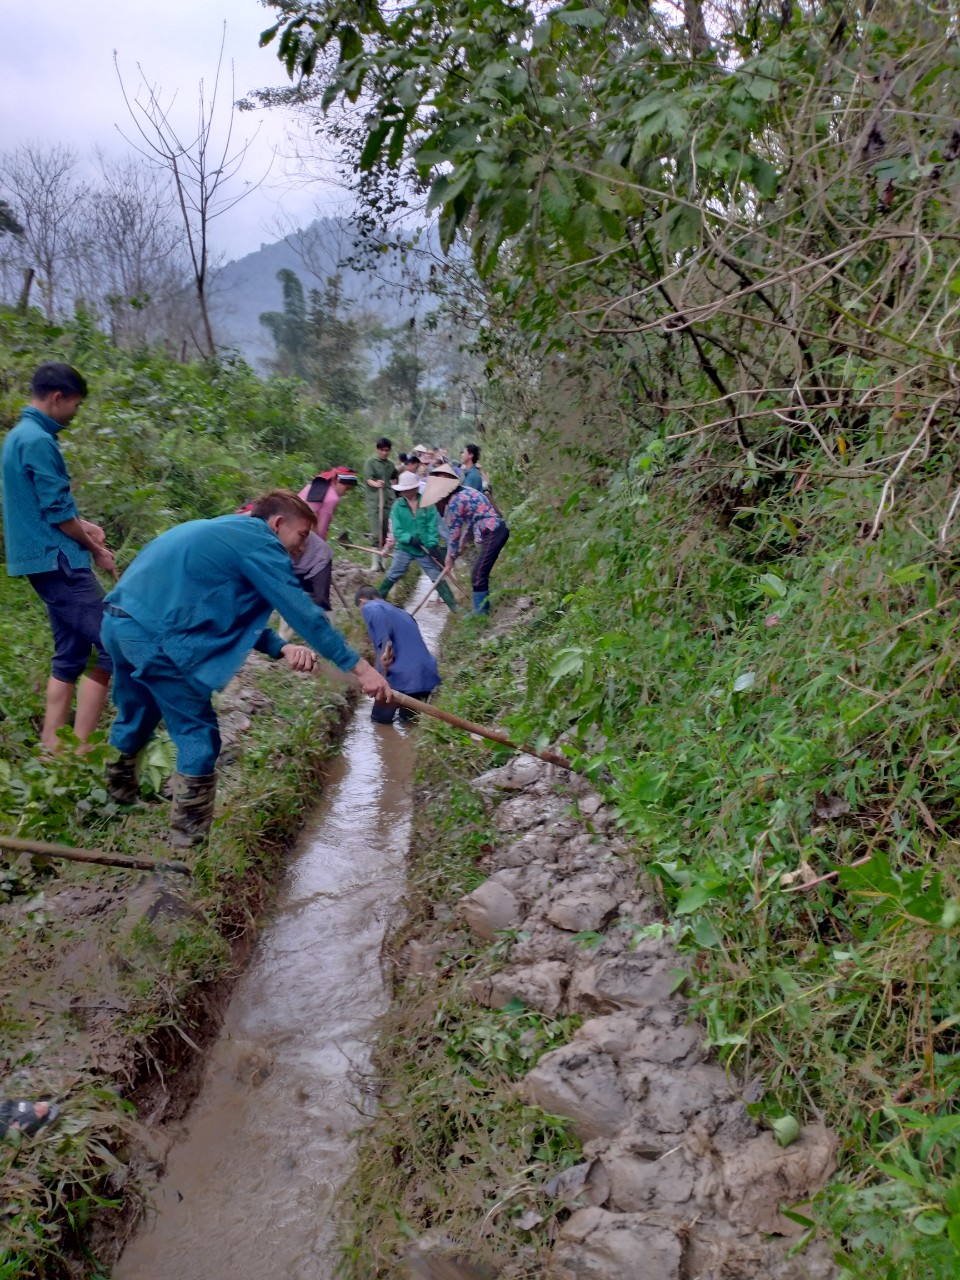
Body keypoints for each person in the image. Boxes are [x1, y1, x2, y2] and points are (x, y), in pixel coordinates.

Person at [100, 490, 391, 847]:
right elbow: (304, 612)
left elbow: (224, 611)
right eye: (302, 535)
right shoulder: (261, 543)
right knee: (198, 736)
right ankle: (187, 847)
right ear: (278, 523)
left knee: (137, 715)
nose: (303, 548)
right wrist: (362, 669)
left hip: (120, 624)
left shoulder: (230, 531)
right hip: (158, 638)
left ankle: (116, 801)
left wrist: (281, 646)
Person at [1, 362, 118, 753]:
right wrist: (96, 548)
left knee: (70, 653)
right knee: (114, 644)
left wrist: (85, 525)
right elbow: (56, 513)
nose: (74, 414)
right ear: (58, 398)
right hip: (59, 561)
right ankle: (81, 749)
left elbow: (42, 506)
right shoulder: (38, 440)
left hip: (45, 561)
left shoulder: (18, 436)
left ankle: (52, 747)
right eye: (76, 405)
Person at [421, 467, 509, 615]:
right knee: (480, 570)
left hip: (493, 532)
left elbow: (453, 535)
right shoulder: (466, 492)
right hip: (496, 530)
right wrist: (462, 544)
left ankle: (481, 612)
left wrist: (450, 559)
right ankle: (482, 607)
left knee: (478, 572)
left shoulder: (455, 502)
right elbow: (472, 522)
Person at [355, 585, 441, 723]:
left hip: (402, 678)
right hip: (426, 677)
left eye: (360, 611)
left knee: (379, 721)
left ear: (362, 602)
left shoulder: (370, 607)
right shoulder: (403, 613)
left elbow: (384, 643)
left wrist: (380, 676)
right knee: (408, 722)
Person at [380, 472, 457, 611]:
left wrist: (433, 545)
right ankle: (378, 602)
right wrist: (409, 539)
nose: (407, 492)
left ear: (416, 488)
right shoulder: (397, 506)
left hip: (424, 548)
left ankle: (454, 607)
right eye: (404, 490)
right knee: (394, 573)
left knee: (435, 575)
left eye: (410, 489)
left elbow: (431, 527)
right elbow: (397, 530)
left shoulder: (427, 504)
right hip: (405, 547)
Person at [362, 437, 398, 564]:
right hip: (375, 502)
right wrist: (376, 484)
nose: (384, 453)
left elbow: (395, 477)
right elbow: (368, 479)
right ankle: (374, 564)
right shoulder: (370, 462)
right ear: (377, 450)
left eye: (387, 450)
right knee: (377, 533)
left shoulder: (390, 465)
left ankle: (383, 563)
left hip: (388, 501)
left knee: (388, 533)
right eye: (382, 450)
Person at [298, 467, 358, 541]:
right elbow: (322, 526)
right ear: (338, 480)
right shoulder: (332, 498)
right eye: (346, 488)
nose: (346, 492)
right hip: (303, 530)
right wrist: (321, 544)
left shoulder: (318, 483)